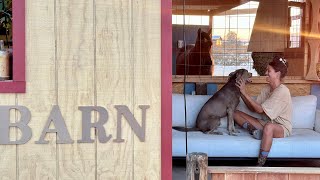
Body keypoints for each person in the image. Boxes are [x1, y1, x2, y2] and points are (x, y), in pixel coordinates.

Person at [233, 56, 292, 166]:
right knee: (234, 113)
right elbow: (253, 108)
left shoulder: (282, 91)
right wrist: (241, 92)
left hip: (281, 127)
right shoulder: (266, 88)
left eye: (268, 71)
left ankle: (260, 163)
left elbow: (259, 109)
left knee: (269, 127)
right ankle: (254, 131)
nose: (265, 73)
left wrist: (244, 92)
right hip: (265, 124)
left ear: (277, 74)